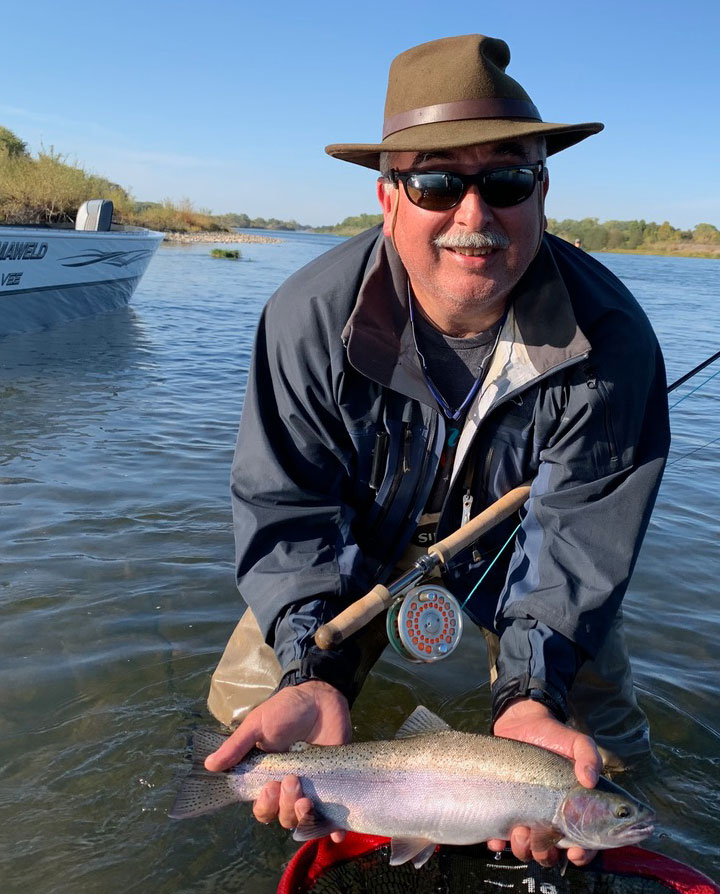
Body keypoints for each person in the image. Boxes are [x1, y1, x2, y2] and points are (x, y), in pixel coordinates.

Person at [204, 34, 670, 869]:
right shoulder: (306, 321)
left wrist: (532, 693)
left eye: (506, 179)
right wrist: (308, 660)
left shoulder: (614, 345)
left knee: (611, 754)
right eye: (435, 181)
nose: (473, 214)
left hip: (526, 563)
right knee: (245, 727)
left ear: (542, 191)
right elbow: (287, 511)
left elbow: (575, 548)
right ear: (388, 199)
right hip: (350, 562)